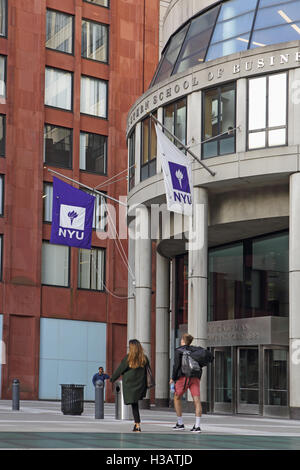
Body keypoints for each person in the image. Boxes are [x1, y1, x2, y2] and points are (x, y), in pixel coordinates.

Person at [110, 339, 149, 432]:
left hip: (130, 385)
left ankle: (137, 424)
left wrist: (112, 379)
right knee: (134, 405)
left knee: (134, 405)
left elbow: (120, 369)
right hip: (140, 384)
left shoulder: (128, 358)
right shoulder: (144, 358)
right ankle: (137, 424)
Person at [170, 333, 202, 433]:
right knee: (197, 400)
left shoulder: (179, 350)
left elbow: (176, 366)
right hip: (195, 378)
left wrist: (173, 378)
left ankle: (180, 423)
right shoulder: (196, 350)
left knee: (176, 397)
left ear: (183, 341)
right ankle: (197, 426)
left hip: (183, 378)